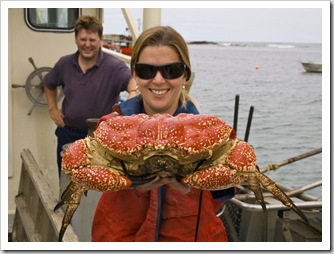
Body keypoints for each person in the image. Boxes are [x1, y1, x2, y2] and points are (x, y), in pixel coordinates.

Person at [91, 26, 235, 242]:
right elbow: (86, 173)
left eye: (171, 70)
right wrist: (128, 182)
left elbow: (226, 188)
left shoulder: (212, 136)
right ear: (135, 75)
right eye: (147, 70)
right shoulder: (110, 129)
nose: (158, 80)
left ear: (185, 75)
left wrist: (196, 182)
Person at [43, 15, 137, 177]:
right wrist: (52, 108)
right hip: (68, 134)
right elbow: (49, 83)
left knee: (99, 185)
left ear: (100, 39)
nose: (87, 44)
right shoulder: (64, 64)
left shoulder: (114, 66)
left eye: (92, 40)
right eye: (83, 39)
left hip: (102, 139)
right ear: (76, 39)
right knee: (67, 182)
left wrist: (133, 96)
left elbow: (132, 84)